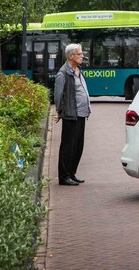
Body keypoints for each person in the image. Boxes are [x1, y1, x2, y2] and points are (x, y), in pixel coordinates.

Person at [54, 43, 91, 186]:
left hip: (81, 114)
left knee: (78, 146)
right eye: (80, 54)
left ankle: (72, 173)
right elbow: (58, 95)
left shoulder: (78, 70)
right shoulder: (63, 74)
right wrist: (59, 111)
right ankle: (64, 176)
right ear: (71, 56)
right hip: (71, 114)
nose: (82, 56)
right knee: (68, 146)